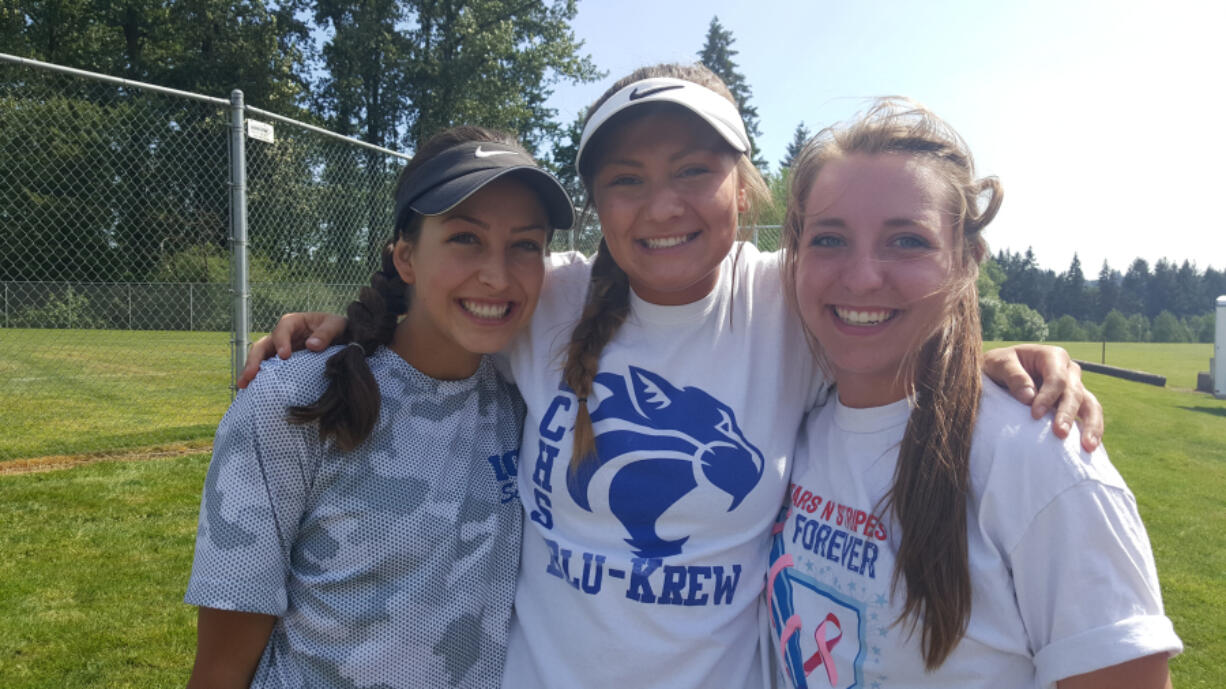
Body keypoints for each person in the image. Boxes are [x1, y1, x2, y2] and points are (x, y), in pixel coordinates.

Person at [240, 65, 1105, 689]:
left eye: (694, 170)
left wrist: (991, 355)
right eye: (628, 180)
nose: (662, 206)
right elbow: (450, 301)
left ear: (744, 187)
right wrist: (337, 329)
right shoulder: (550, 298)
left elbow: (883, 308)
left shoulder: (793, 300)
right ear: (595, 207)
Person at [767, 100, 1180, 689]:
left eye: (907, 242)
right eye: (829, 239)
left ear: (965, 263)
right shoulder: (795, 426)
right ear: (795, 255)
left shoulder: (1043, 461)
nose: (860, 277)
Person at [183, 126, 574, 689]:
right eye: (466, 238)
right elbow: (220, 670)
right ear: (406, 257)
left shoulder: (528, 401)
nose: (497, 274)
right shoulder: (293, 401)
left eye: (526, 245)